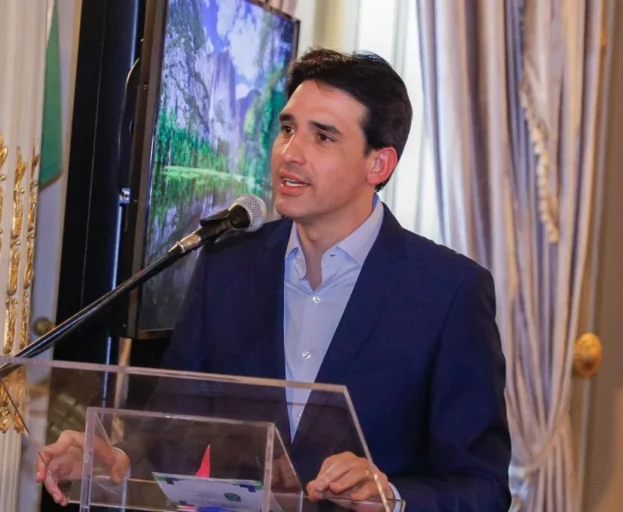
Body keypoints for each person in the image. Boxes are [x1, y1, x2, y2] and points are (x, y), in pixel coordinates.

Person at [38, 48, 511, 511]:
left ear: (379, 164)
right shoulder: (227, 265)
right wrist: (115, 455)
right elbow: (173, 422)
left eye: (322, 137)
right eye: (287, 129)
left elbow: (483, 488)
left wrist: (394, 498)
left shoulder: (449, 292)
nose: (290, 153)